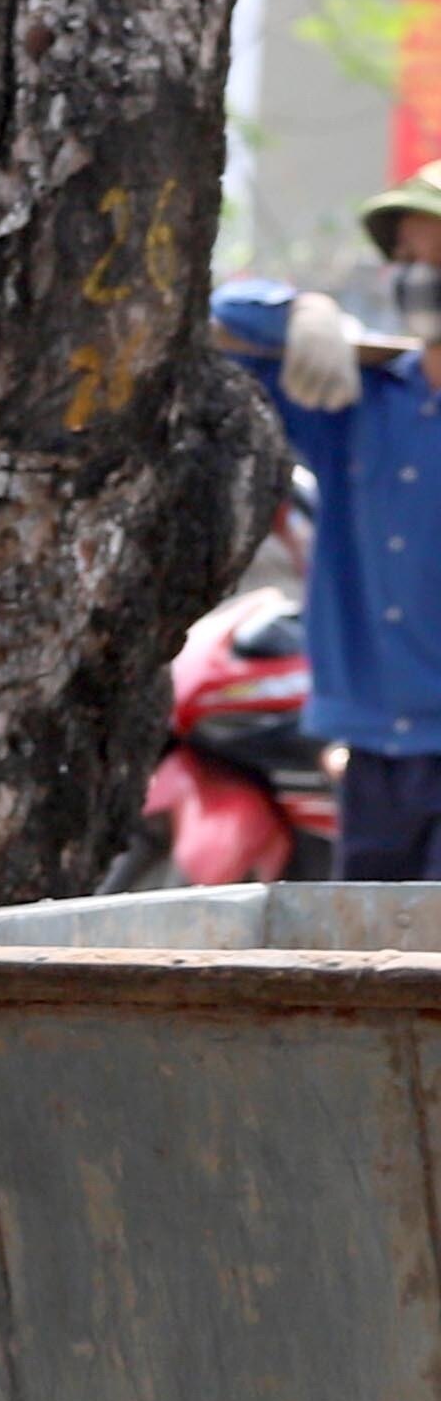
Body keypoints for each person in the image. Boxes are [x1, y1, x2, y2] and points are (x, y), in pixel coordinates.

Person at [208, 161, 441, 878]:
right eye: (405, 258)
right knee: (366, 963)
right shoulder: (360, 401)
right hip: (374, 754)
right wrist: (298, 312)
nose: (416, 276)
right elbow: (220, 319)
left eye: (435, 255)